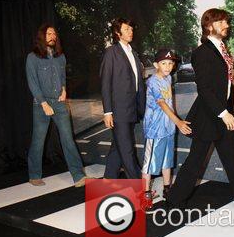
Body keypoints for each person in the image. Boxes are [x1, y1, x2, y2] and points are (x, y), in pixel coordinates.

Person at [166, 9, 234, 210]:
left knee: (233, 160)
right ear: (209, 26)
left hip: (222, 113)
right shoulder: (201, 53)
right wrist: (223, 112)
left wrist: (228, 110)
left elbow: (225, 85)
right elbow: (204, 89)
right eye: (222, 22)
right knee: (195, 161)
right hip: (209, 116)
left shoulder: (221, 48)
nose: (227, 25)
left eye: (226, 21)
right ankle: (175, 200)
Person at [26, 24, 86, 187]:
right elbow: (32, 82)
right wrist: (44, 103)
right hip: (41, 103)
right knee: (38, 140)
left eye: (54, 33)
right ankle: (34, 175)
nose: (52, 36)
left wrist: (64, 90)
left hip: (59, 103)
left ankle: (79, 176)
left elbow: (62, 77)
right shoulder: (33, 57)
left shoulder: (61, 57)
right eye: (48, 33)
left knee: (68, 138)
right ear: (42, 36)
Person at [141, 49, 192, 207]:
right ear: (156, 64)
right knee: (149, 163)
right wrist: (178, 121)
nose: (168, 66)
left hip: (168, 127)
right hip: (155, 129)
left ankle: (167, 189)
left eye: (171, 63)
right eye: (164, 63)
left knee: (166, 161)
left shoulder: (169, 78)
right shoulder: (153, 82)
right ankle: (145, 196)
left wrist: (174, 122)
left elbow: (170, 102)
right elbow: (162, 103)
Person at [100, 18, 145, 179]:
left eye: (131, 29)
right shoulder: (111, 52)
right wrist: (107, 112)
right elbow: (105, 83)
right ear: (118, 33)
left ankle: (108, 178)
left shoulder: (133, 53)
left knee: (118, 146)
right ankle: (139, 187)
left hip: (132, 108)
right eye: (126, 29)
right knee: (127, 150)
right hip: (119, 110)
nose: (131, 31)